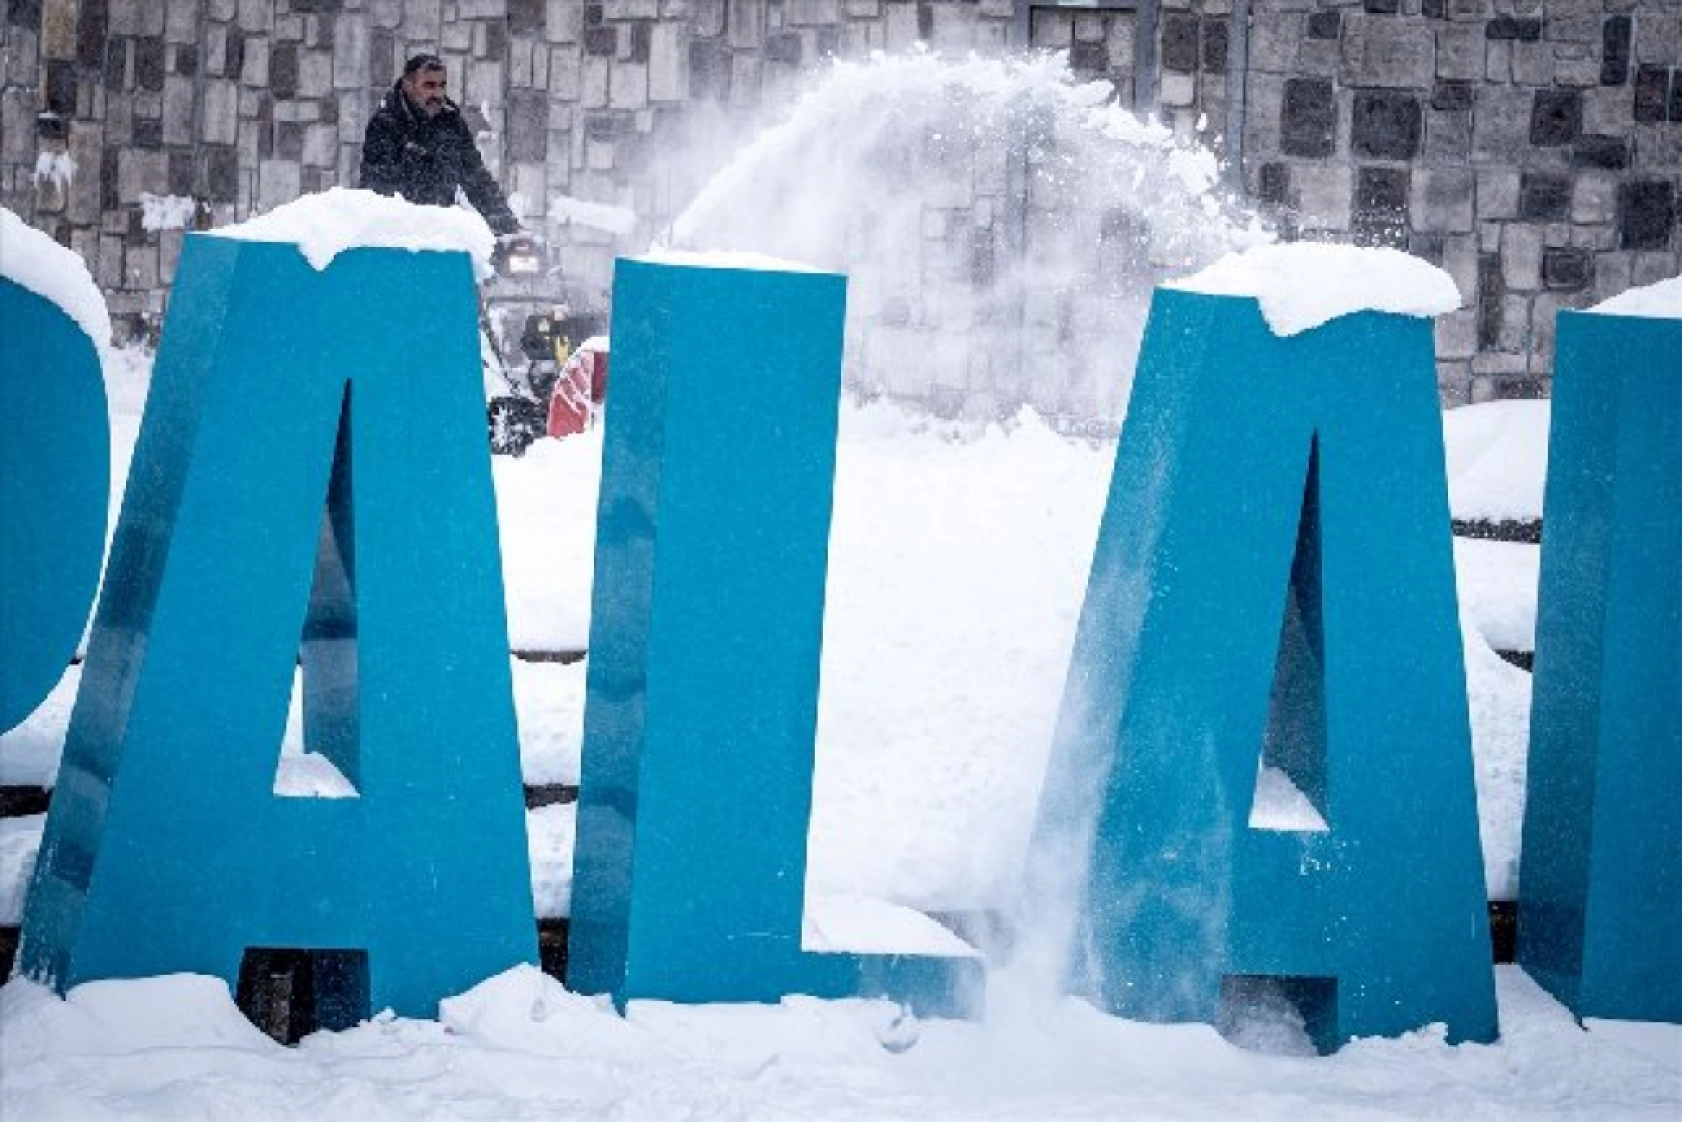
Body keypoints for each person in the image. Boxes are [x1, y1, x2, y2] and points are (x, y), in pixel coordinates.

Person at [360, 53, 520, 236]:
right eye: (429, 86)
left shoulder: (452, 124)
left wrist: (509, 227)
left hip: (440, 234)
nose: (437, 94)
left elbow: (477, 179)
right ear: (408, 85)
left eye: (442, 85)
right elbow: (377, 187)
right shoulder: (386, 124)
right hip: (397, 236)